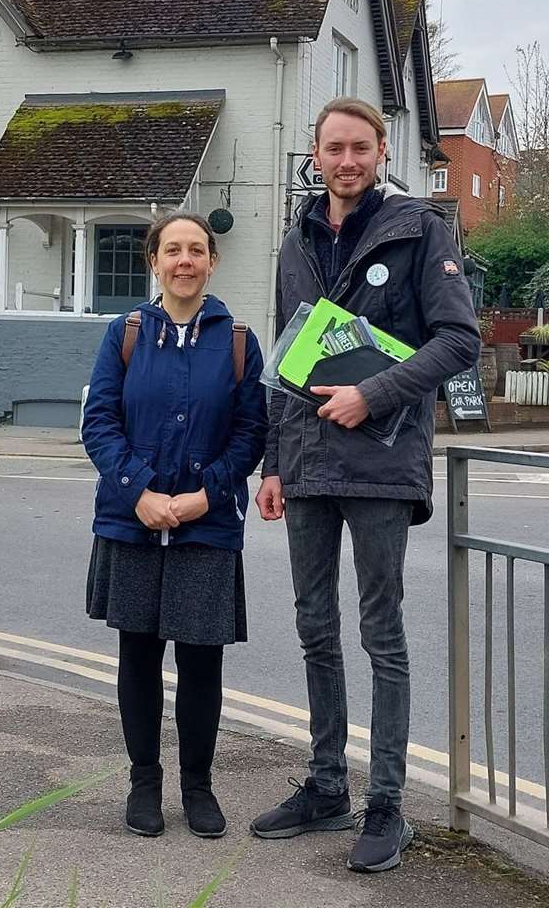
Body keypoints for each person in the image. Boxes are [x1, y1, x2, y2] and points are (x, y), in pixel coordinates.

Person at [249, 97, 481, 872]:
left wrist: (372, 395)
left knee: (381, 636)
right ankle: (325, 785)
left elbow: (458, 340)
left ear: (383, 152)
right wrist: (274, 463)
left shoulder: (420, 231)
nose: (346, 161)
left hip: (382, 464)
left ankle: (386, 805)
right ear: (315, 156)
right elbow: (287, 363)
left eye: (360, 147)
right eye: (333, 149)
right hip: (310, 465)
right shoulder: (295, 241)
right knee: (315, 626)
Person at [83, 213, 267, 839]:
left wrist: (201, 498)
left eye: (195, 250)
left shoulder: (237, 339)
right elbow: (99, 423)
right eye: (172, 250)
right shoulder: (125, 334)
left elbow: (250, 436)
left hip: (205, 526)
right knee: (137, 655)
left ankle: (198, 787)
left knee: (200, 660)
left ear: (212, 262)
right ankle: (144, 783)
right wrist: (137, 492)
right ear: (154, 262)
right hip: (130, 522)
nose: (184, 260)